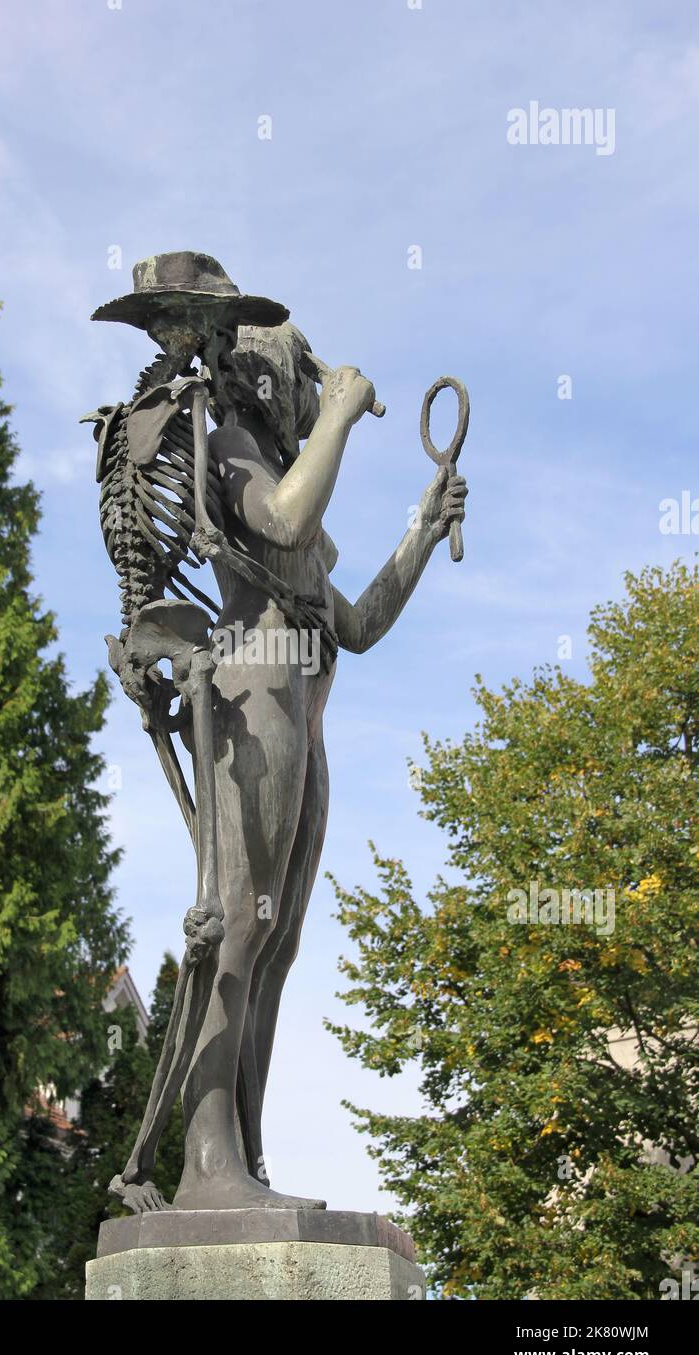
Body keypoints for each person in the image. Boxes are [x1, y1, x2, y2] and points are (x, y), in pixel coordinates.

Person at [167, 321, 468, 1210]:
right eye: (308, 378)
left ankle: (246, 1163)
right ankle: (205, 1166)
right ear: (273, 381)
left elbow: (357, 624)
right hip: (254, 699)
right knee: (238, 927)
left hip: (304, 712)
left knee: (281, 943)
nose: (316, 395)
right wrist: (341, 414)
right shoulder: (230, 449)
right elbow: (288, 514)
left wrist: (421, 530)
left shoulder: (279, 468)